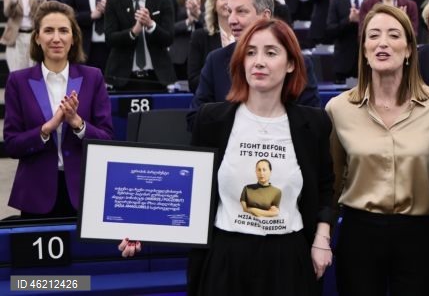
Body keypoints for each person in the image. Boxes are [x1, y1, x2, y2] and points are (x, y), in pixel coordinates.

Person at [124, 18, 335, 295]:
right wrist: (143, 226)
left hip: (287, 258)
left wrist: (322, 237)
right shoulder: (212, 119)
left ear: (291, 64)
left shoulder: (313, 123)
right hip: (225, 257)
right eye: (251, 52)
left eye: (271, 53)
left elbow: (325, 187)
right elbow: (190, 188)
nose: (259, 62)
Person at [326, 3, 429, 295]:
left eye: (393, 35)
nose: (382, 43)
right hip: (358, 235)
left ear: (409, 49)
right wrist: (322, 239)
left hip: (418, 236)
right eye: (373, 35)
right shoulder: (338, 109)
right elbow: (331, 187)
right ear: (364, 50)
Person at [4, 1, 113, 218]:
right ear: (37, 38)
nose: (56, 38)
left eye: (63, 30)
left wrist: (78, 124)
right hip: (36, 194)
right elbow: (12, 145)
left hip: (84, 193)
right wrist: (46, 129)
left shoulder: (93, 77)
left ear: (74, 38)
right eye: (48, 31)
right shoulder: (18, 81)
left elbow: (107, 139)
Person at [189, 0, 321, 131]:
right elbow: (194, 119)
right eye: (230, 11)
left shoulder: (299, 62)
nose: (231, 20)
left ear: (265, 16)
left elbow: (313, 123)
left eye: (241, 12)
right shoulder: (216, 60)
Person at [104, 0, 176, 91]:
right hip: (121, 78)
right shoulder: (113, 2)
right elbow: (110, 39)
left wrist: (150, 25)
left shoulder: (164, 1)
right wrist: (133, 32)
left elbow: (169, 38)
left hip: (158, 77)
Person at [188, 0, 238, 93]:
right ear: (214, 3)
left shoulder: (250, 37)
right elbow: (193, 83)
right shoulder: (200, 37)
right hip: (213, 101)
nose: (228, 2)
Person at [326, 0, 368, 83]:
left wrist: (362, 21)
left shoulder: (374, 0)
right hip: (343, 65)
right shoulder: (336, 2)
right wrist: (348, 20)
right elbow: (330, 31)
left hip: (368, 64)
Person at [3, 0, 46, 72]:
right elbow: (7, 13)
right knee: (16, 72)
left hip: (33, 36)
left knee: (32, 73)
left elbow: (45, 13)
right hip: (16, 37)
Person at [169, 0, 208, 80]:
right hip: (180, 54)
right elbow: (168, 28)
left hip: (204, 51)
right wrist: (188, 21)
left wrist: (198, 15)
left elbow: (214, 24)